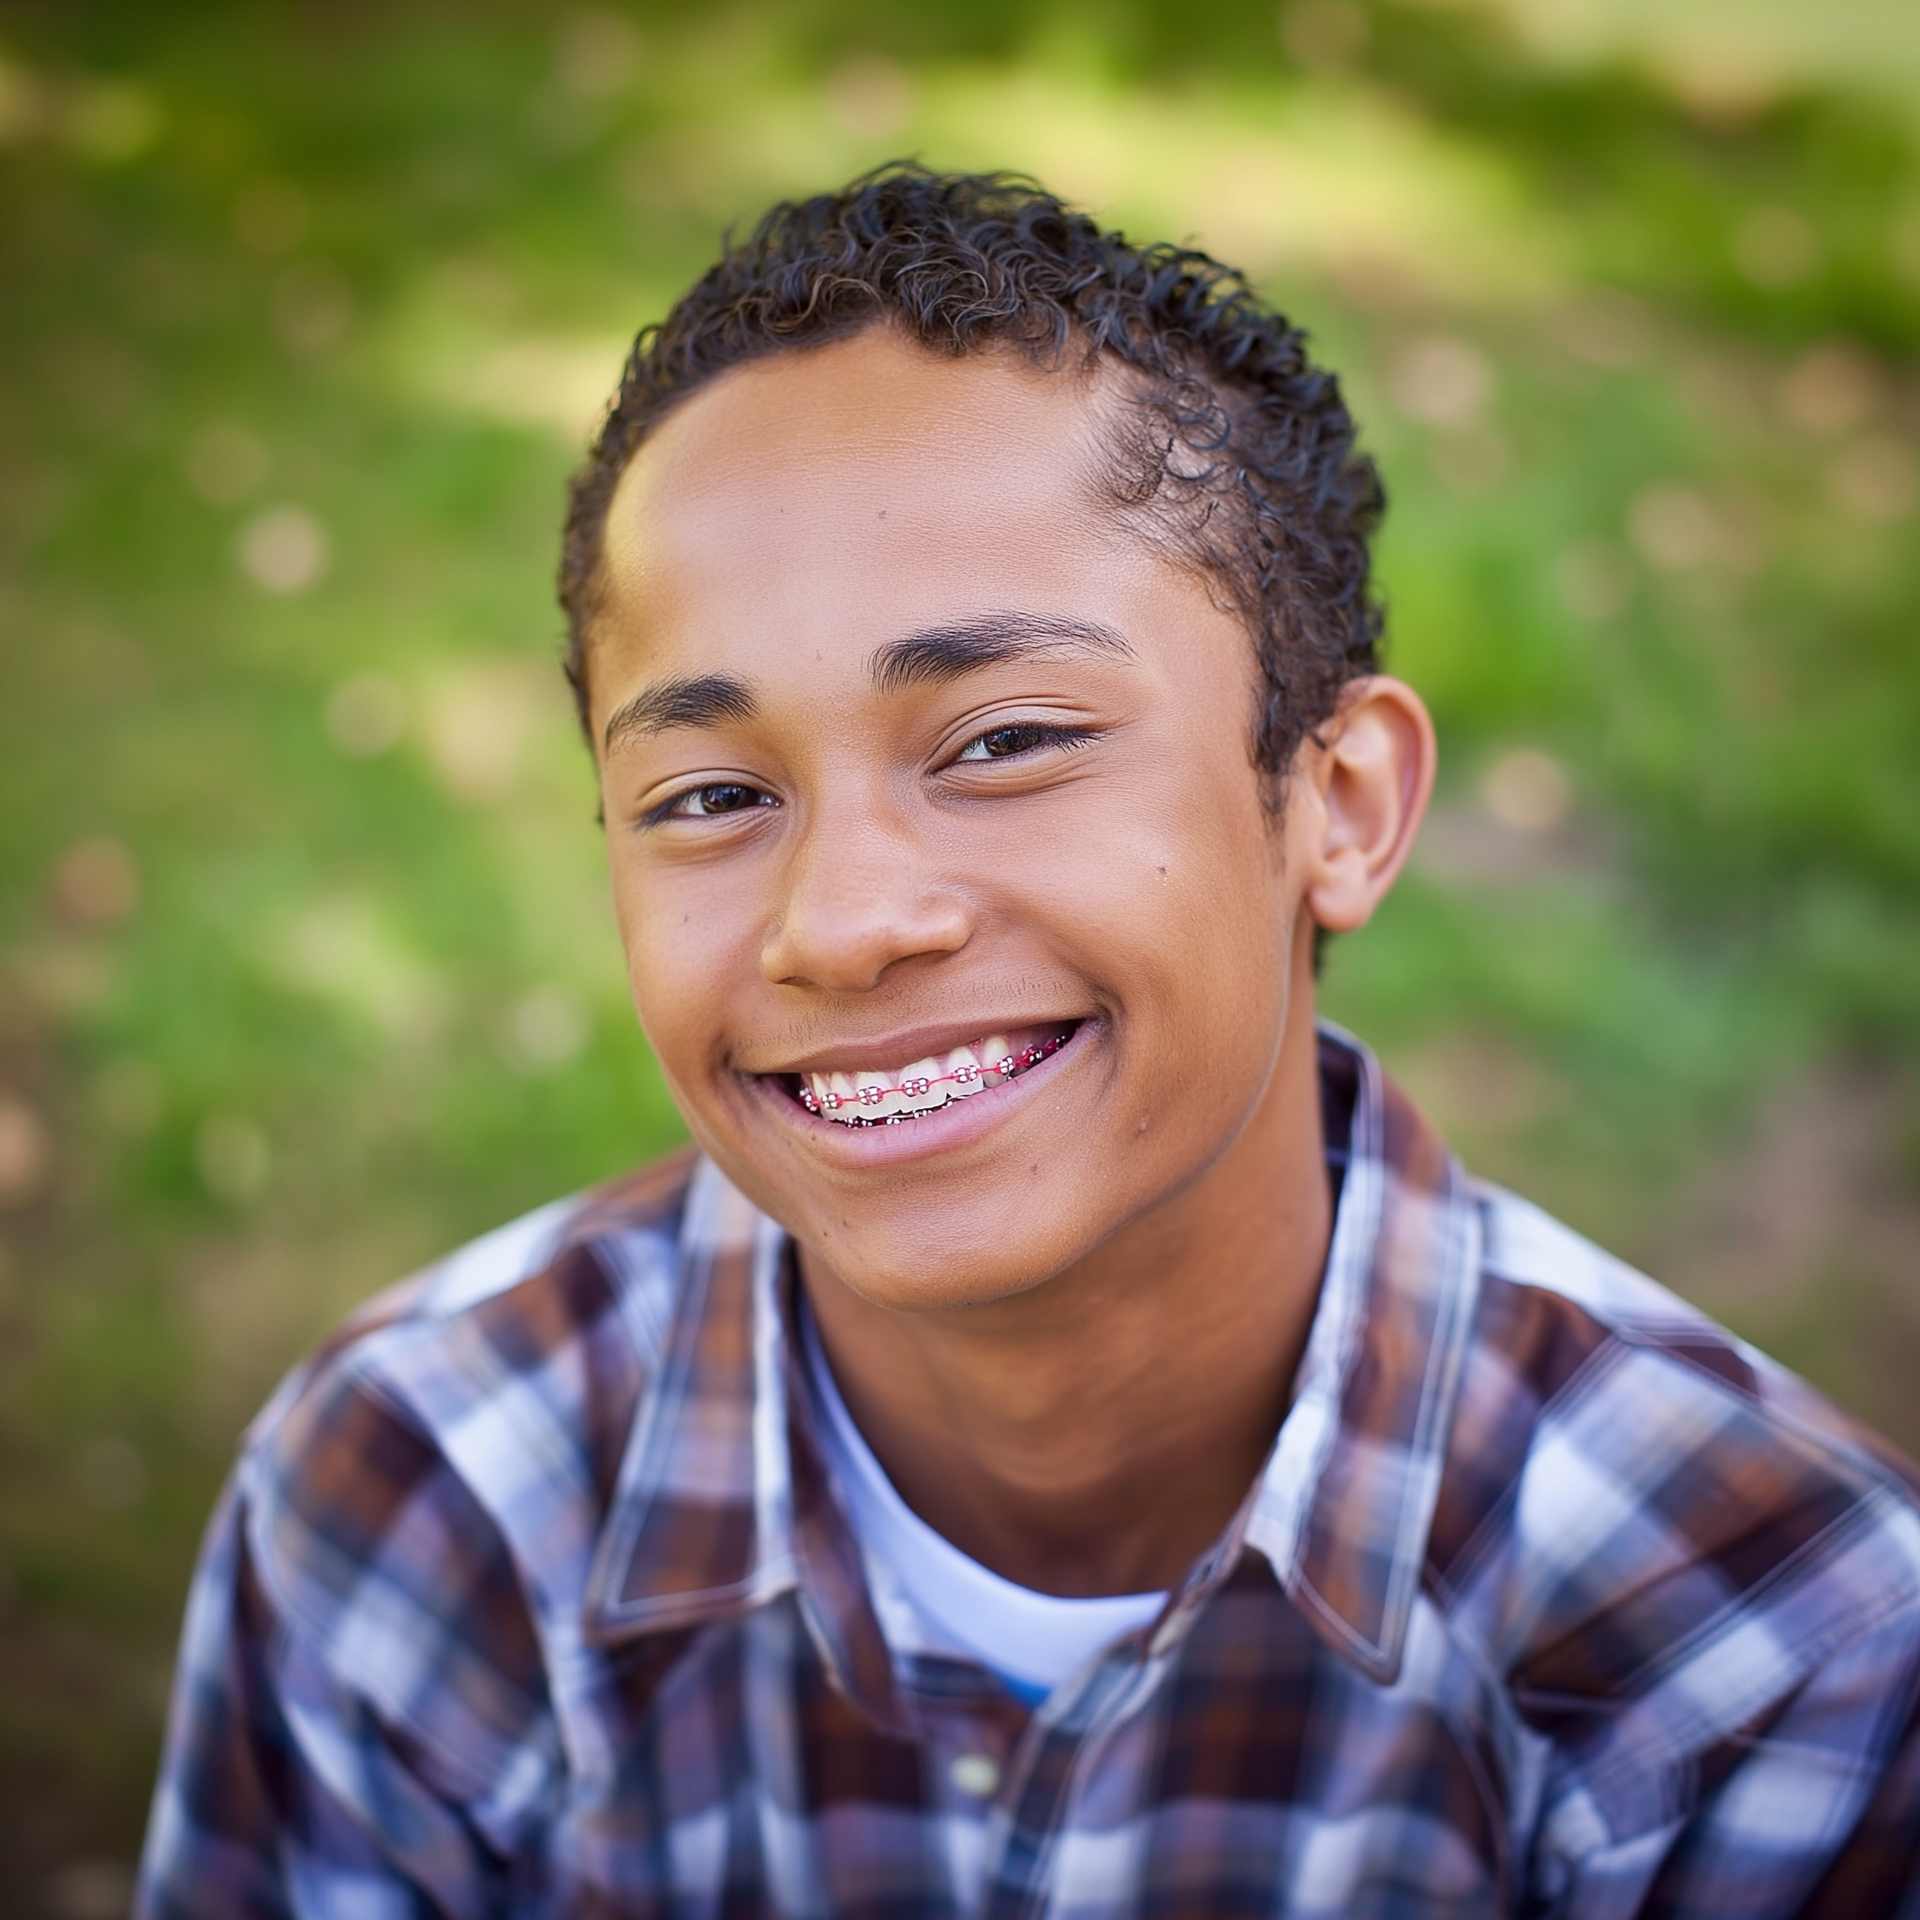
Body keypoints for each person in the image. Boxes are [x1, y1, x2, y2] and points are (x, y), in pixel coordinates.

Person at [137, 166, 1920, 1918]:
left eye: (1002, 742)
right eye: (708, 791)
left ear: (1341, 805)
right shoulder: (417, 1494)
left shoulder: (1769, 1636)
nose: (837, 920)